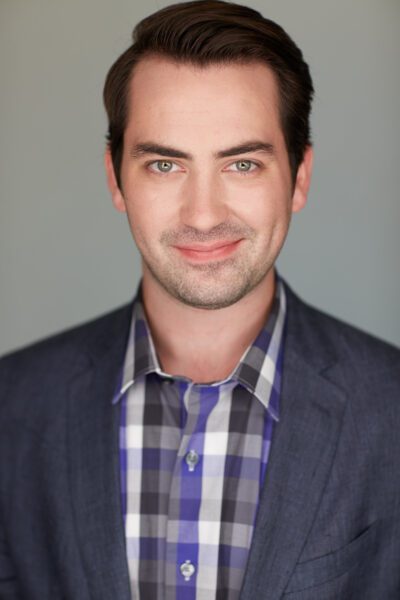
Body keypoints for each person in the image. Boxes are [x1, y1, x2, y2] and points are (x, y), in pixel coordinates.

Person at [0, 0, 399, 598]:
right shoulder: (12, 407)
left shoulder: (391, 409)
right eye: (165, 164)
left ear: (299, 178)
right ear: (115, 180)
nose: (204, 215)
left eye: (242, 163)